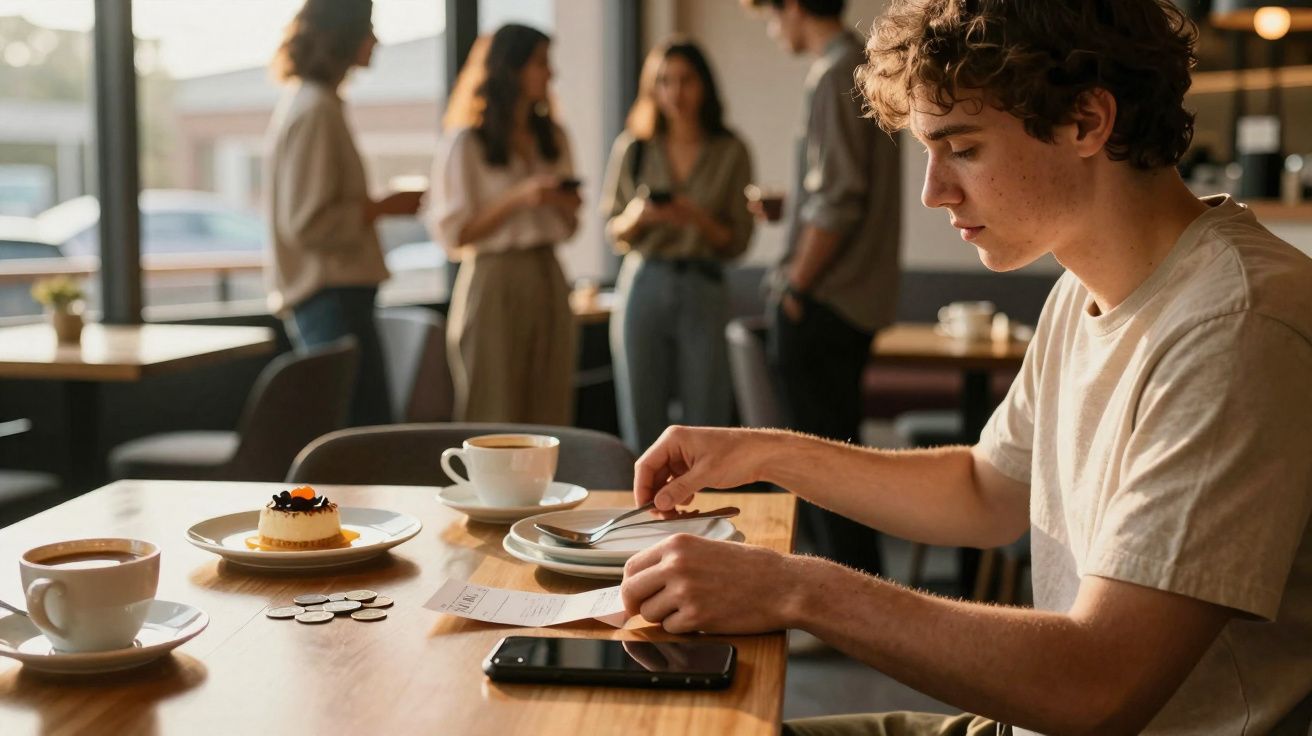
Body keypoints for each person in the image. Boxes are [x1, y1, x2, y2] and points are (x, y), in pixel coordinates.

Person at [620, 1, 1312, 734]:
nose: (933, 190)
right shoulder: (1081, 289)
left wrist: (798, 591)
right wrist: (763, 450)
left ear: (1087, 121)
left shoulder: (1237, 323)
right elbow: (985, 490)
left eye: (963, 148)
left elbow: (1099, 685)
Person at [742, 0, 902, 578]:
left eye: (769, 14)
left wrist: (796, 286)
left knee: (821, 463)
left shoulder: (836, 72)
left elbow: (838, 198)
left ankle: (844, 602)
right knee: (838, 458)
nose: (771, 29)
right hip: (854, 297)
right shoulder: (862, 67)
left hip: (825, 301)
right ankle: (857, 595)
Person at [265, 0, 421, 427]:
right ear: (343, 35)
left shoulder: (311, 104)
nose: (376, 40)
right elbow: (308, 223)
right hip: (332, 298)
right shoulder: (316, 110)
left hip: (334, 297)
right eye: (368, 28)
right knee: (356, 439)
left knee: (353, 435)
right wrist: (380, 208)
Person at [601, 38, 755, 452]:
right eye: (664, 81)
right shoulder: (634, 148)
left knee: (707, 415)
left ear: (704, 85)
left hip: (703, 284)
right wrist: (639, 215)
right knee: (640, 414)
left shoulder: (730, 150)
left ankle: (703, 512)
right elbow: (613, 230)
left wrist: (697, 217)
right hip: (644, 281)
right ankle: (646, 512)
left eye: (685, 80)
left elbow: (737, 241)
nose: (675, 92)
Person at [426, 25, 581, 425]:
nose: (550, 74)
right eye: (541, 63)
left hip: (547, 272)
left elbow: (571, 226)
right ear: (510, 69)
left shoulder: (555, 138)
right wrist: (520, 196)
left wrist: (562, 201)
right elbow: (455, 234)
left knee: (551, 408)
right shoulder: (466, 144)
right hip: (493, 278)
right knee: (492, 407)